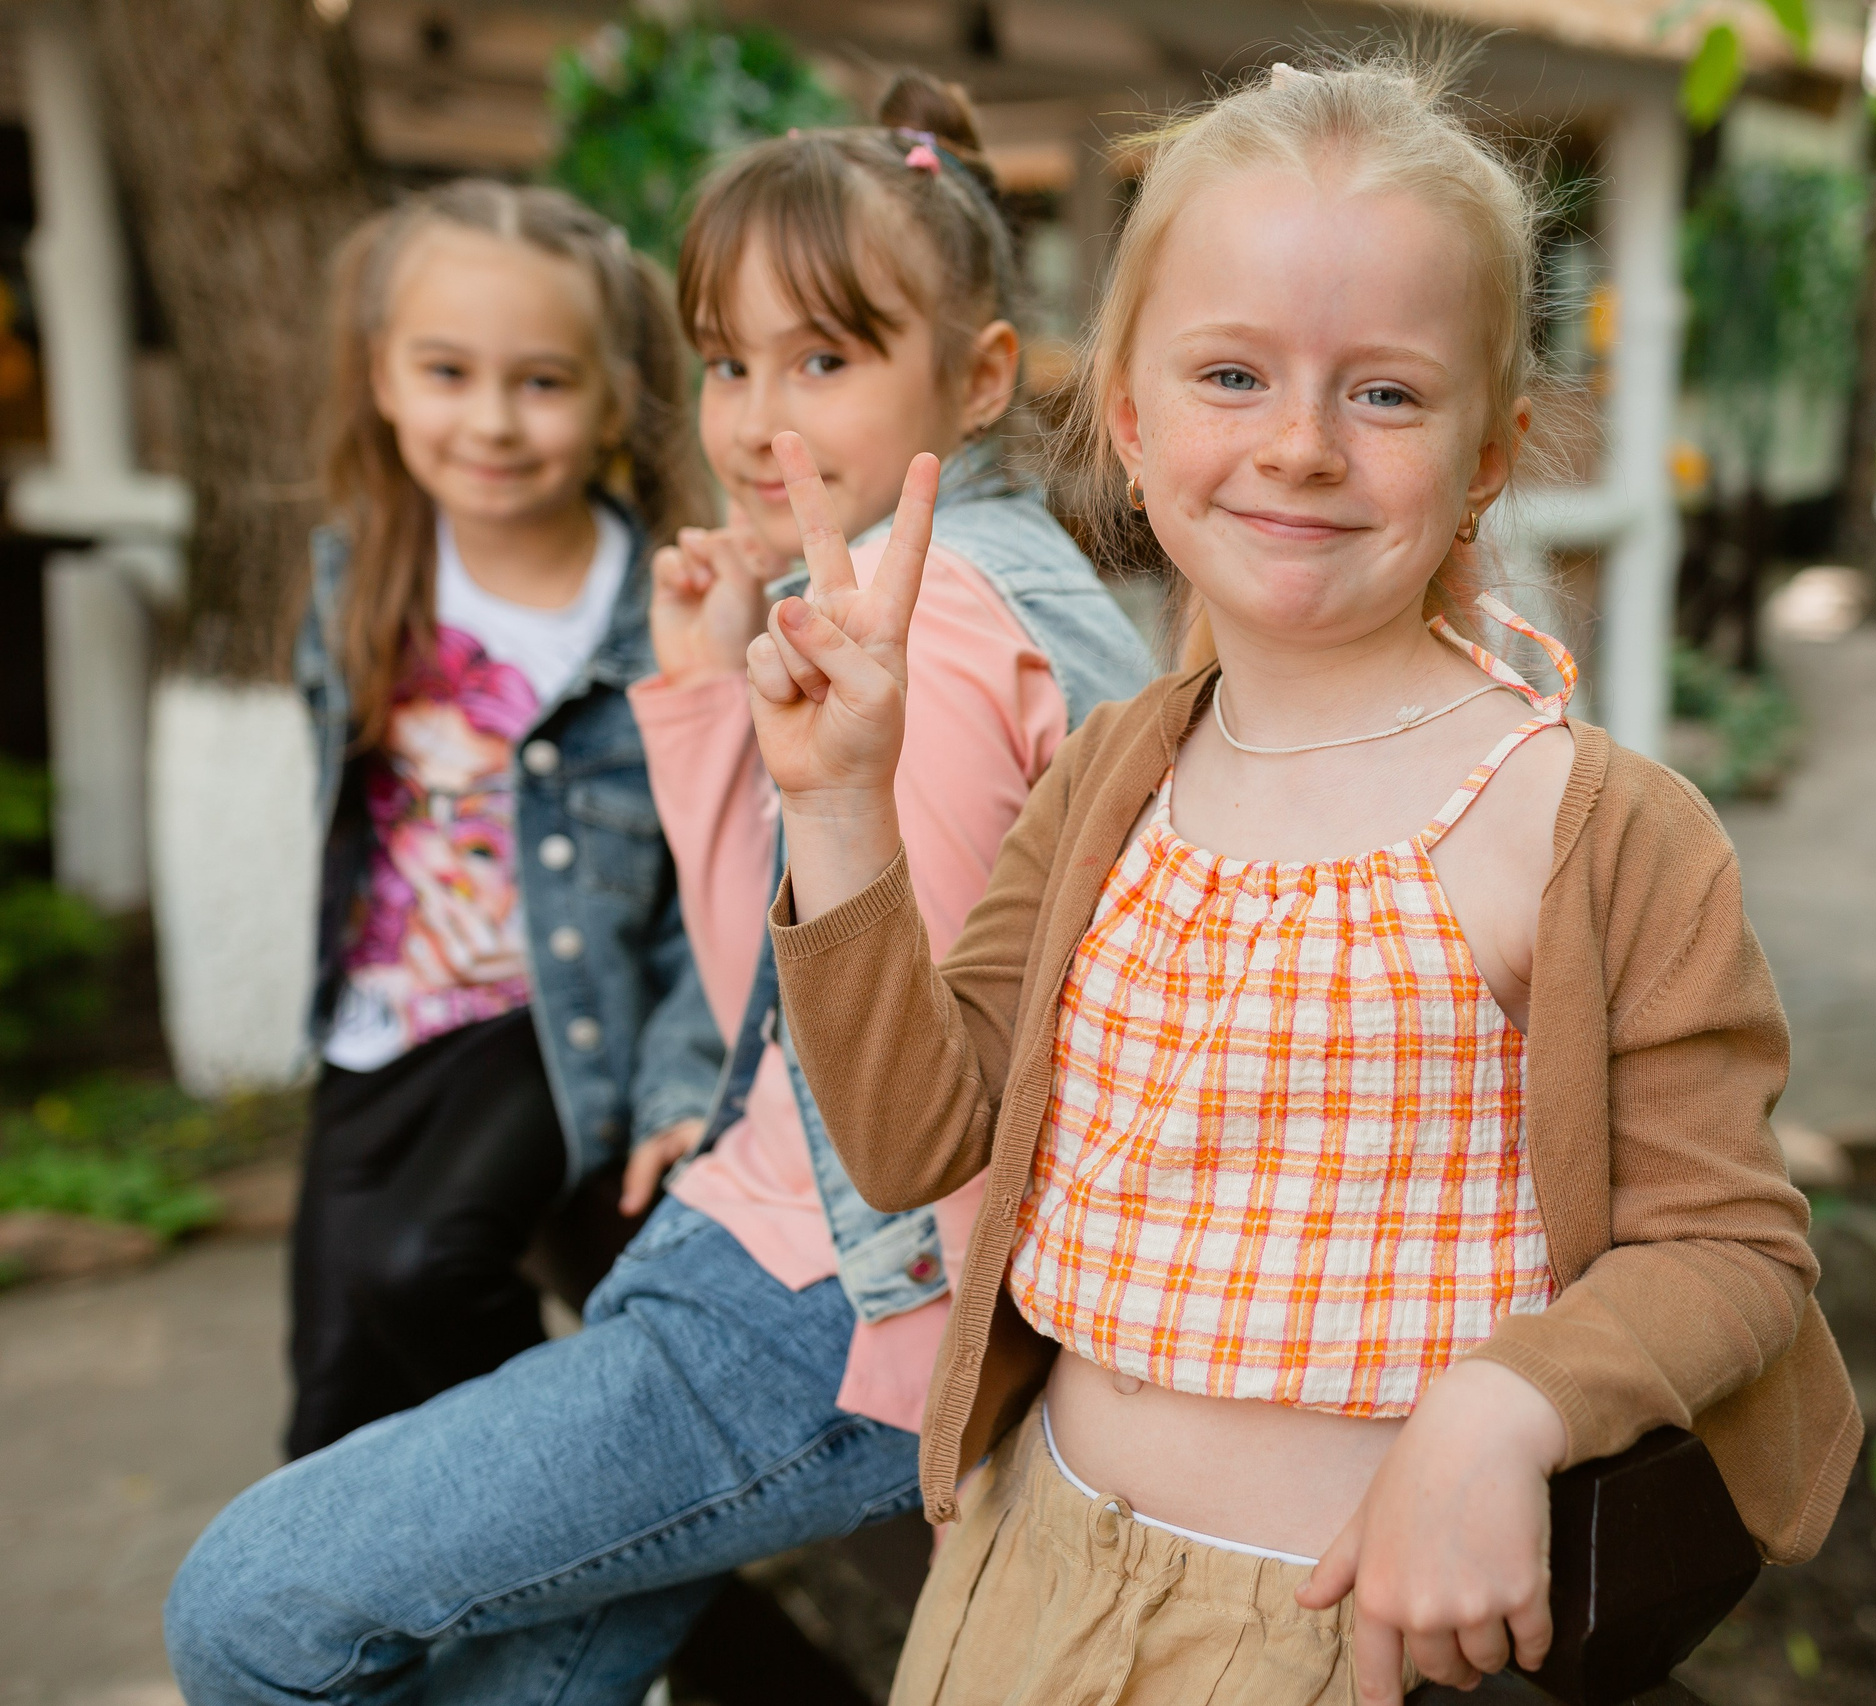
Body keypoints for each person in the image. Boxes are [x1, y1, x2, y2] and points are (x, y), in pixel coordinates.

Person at [750, 54, 1861, 1706]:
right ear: (1128, 419)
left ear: (1492, 448)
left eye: (1387, 393)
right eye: (1231, 375)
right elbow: (919, 1135)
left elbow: (1730, 1248)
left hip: (1354, 1634)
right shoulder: (1110, 784)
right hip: (1027, 1570)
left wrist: (1509, 1403)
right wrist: (838, 808)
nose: (1301, 445)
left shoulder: (1588, 825)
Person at [165, 81, 1153, 1706]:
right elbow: (792, 1005)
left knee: (249, 1605)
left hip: (823, 1317)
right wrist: (705, 697)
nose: (759, 419)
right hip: (799, 1263)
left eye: (824, 360)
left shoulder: (948, 631)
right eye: (727, 361)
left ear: (979, 378)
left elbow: (907, 1098)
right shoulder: (986, 585)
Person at [285, 179, 722, 1457]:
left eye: (539, 381)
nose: (489, 419)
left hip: (551, 1016)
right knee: (327, 1404)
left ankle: (594, 1496)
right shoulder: (363, 566)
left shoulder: (661, 602)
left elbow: (726, 862)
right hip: (377, 1026)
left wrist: (686, 1071)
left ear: (609, 398)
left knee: (426, 1264)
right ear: (381, 375)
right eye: (446, 371)